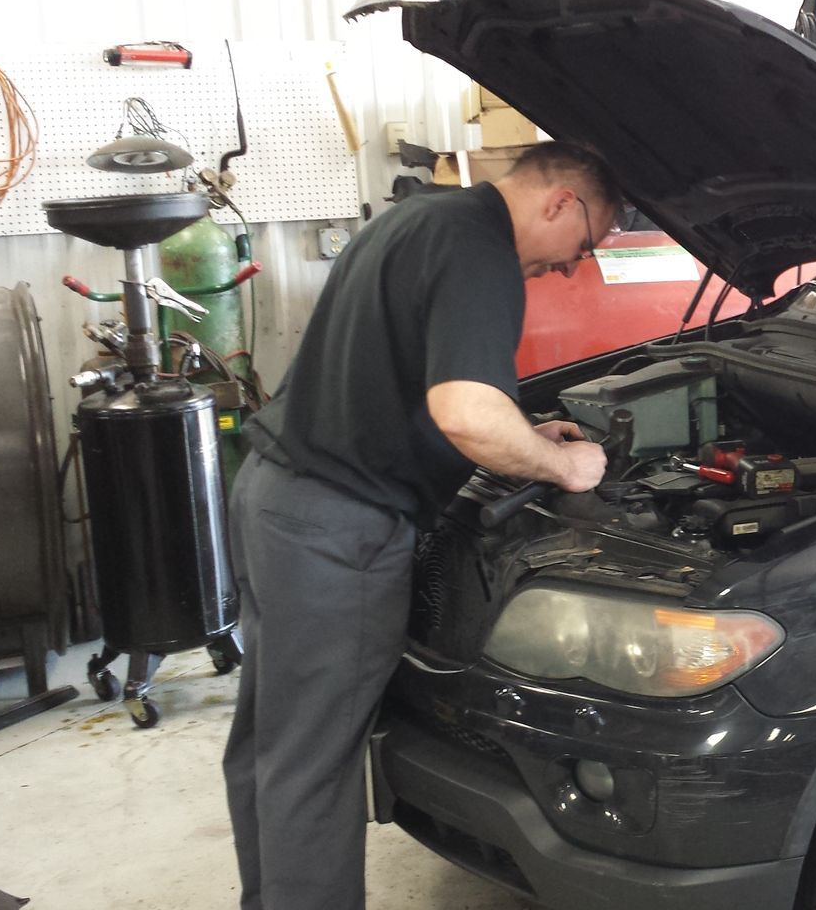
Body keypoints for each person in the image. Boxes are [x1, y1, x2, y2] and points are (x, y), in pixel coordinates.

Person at [221, 141, 622, 910]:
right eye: (583, 247)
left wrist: (529, 433)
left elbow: (404, 372)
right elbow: (465, 412)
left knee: (273, 741)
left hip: (274, 495)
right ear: (559, 202)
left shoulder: (415, 219)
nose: (570, 267)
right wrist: (563, 466)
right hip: (339, 529)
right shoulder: (482, 252)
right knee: (318, 764)